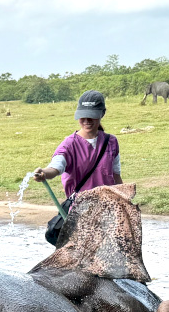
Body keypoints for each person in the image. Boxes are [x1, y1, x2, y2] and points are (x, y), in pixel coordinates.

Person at [32, 90, 122, 245]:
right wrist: (44, 174)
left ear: (103, 113)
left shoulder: (111, 142)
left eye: (92, 115)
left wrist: (123, 205)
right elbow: (55, 167)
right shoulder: (69, 144)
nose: (87, 120)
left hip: (108, 211)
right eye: (83, 116)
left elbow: (116, 176)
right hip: (80, 213)